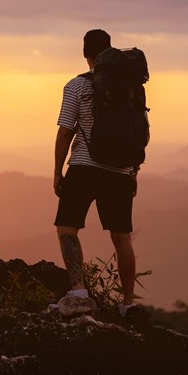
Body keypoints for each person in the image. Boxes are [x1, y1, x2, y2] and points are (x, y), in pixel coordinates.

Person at [52, 29, 148, 317]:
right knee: (122, 238)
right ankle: (128, 304)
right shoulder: (130, 85)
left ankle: (79, 291)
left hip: (83, 166)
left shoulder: (76, 86)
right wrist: (133, 170)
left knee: (67, 228)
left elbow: (65, 131)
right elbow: (141, 131)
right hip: (120, 171)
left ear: (85, 54)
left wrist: (57, 172)